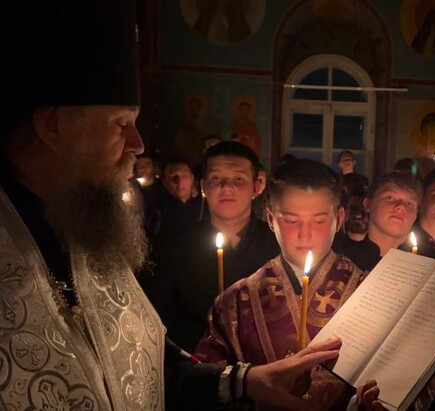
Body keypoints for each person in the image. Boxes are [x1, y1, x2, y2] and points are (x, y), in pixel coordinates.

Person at [0, 1, 352, 410]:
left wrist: (248, 381)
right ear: (52, 127)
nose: (138, 144)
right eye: (120, 123)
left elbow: (145, 364)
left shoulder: (83, 229)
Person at [194, 159, 365, 410]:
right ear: (271, 218)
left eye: (318, 221)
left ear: (339, 219)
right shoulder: (235, 303)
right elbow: (205, 384)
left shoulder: (370, 293)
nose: (304, 234)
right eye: (291, 220)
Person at [147, 141, 280, 352]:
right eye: (216, 178)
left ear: (256, 187)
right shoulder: (175, 249)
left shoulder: (279, 246)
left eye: (238, 178)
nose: (227, 187)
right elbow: (158, 322)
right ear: (203, 186)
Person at [336, 171, 422, 271]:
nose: (401, 206)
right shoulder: (341, 264)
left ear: (416, 214)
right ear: (367, 204)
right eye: (390, 198)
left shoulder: (432, 265)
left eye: (409, 203)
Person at [157, 159, 203, 240]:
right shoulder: (157, 212)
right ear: (164, 182)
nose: (179, 181)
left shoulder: (205, 208)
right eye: (174, 177)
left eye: (184, 175)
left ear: (192, 179)